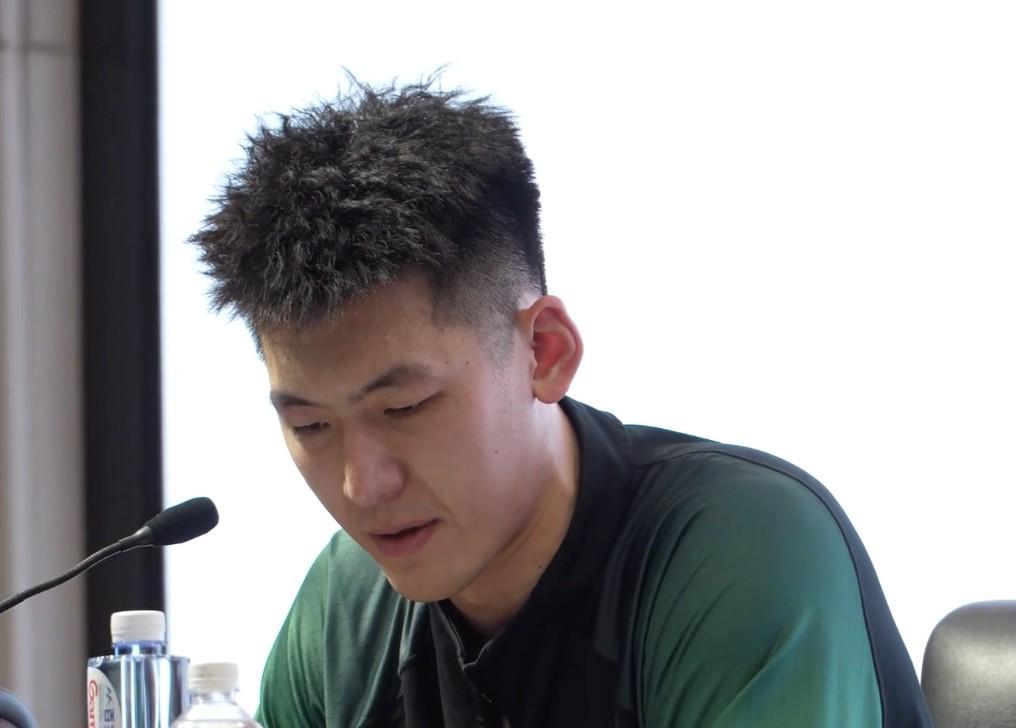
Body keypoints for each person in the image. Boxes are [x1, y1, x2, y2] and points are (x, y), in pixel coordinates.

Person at [190, 81, 932, 727]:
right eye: (311, 425)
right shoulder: (347, 606)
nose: (362, 486)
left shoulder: (743, 549)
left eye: (405, 407)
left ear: (544, 352)